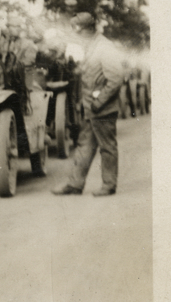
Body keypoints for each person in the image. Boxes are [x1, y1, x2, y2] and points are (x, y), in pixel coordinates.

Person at [52, 12, 125, 196]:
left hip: (102, 108)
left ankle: (109, 185)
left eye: (78, 31)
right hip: (91, 108)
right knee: (84, 145)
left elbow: (115, 79)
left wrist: (98, 103)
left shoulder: (104, 47)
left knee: (107, 147)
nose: (76, 35)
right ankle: (75, 184)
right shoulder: (91, 46)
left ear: (87, 30)